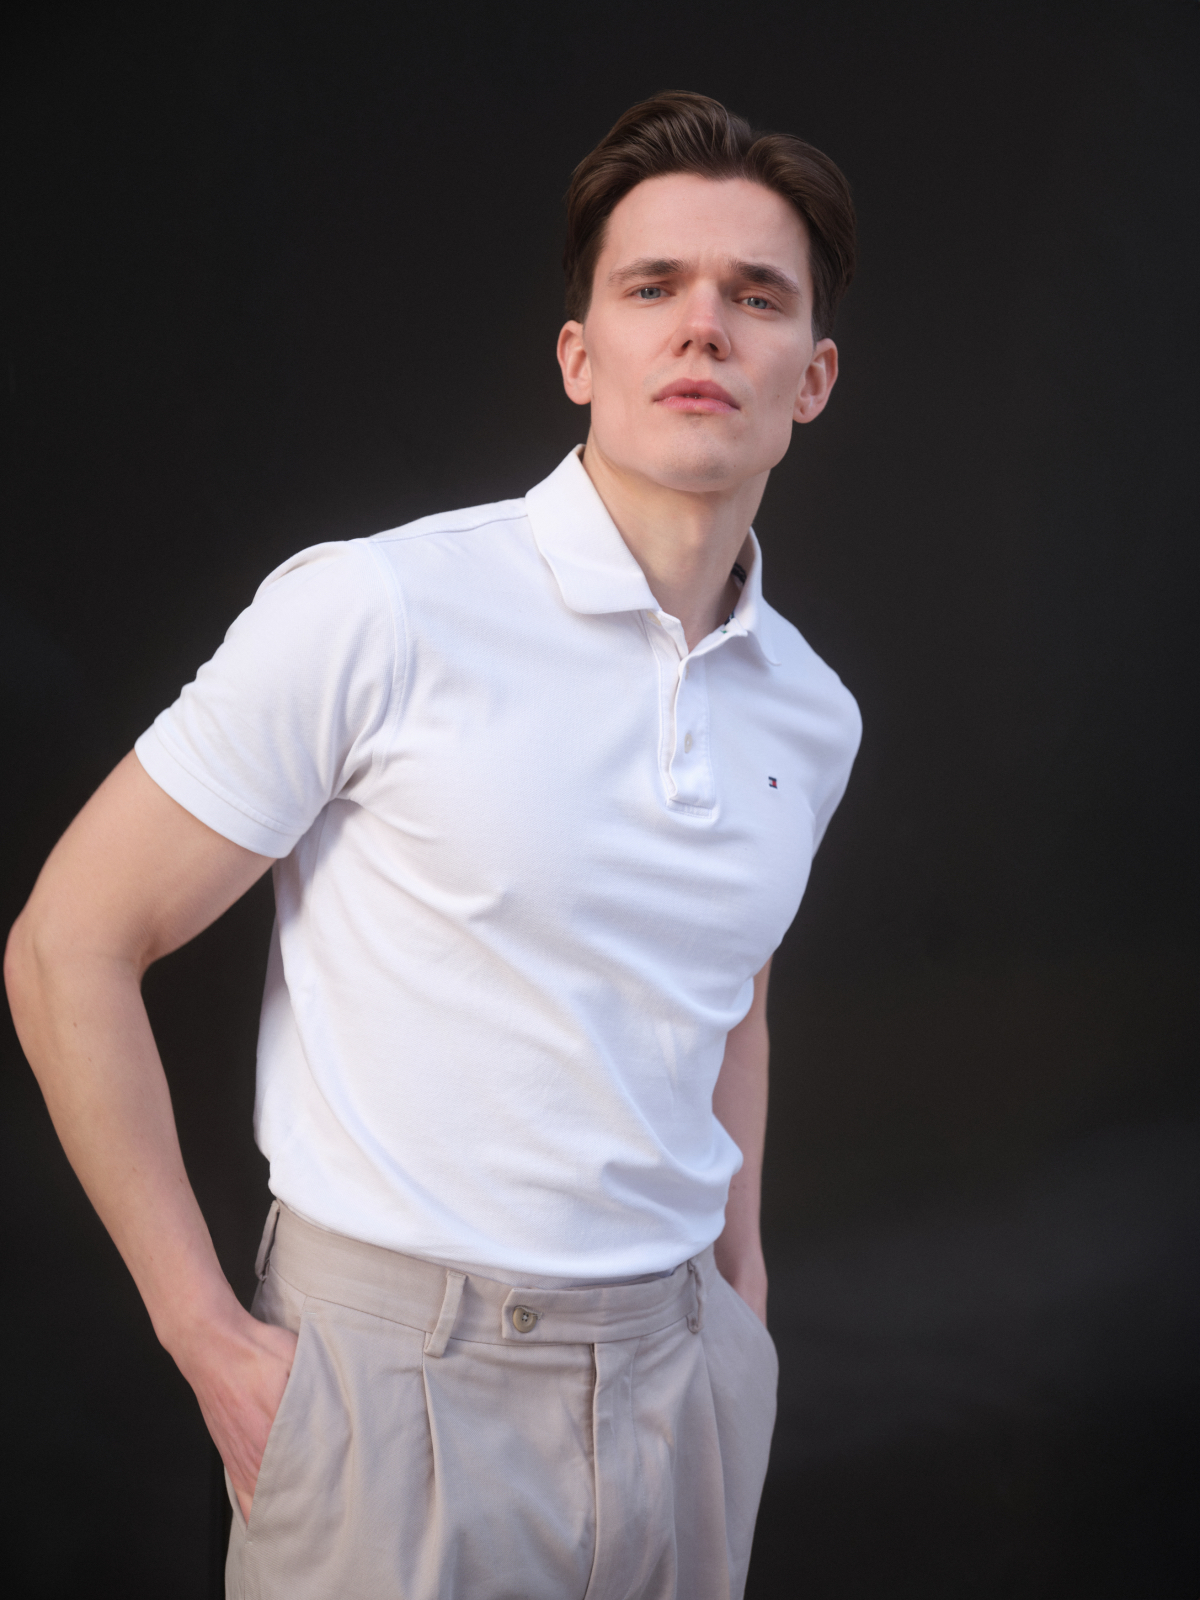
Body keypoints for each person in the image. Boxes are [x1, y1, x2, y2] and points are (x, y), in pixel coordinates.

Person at [5, 91, 860, 1599]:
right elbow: (68, 944)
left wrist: (741, 1280)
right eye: (653, 287)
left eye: (756, 296)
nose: (704, 326)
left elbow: (733, 984)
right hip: (392, 1398)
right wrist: (206, 1338)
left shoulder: (811, 708)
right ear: (580, 358)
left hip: (682, 1385)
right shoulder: (380, 611)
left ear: (814, 377)